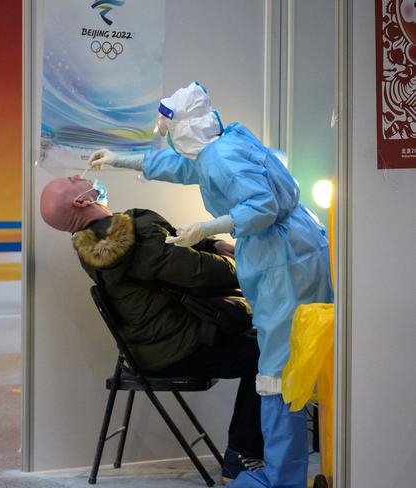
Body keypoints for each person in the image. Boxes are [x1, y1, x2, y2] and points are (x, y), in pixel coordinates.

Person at [88, 82, 333, 488]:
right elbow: (181, 165)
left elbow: (260, 207)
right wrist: (119, 160)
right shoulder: (227, 140)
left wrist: (209, 226)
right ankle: (302, 462)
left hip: (282, 262)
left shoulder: (220, 158)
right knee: (303, 351)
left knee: (278, 365)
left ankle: (281, 477)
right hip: (299, 249)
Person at [40, 175, 264, 483]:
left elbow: (171, 245)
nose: (80, 176)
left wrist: (212, 243)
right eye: (72, 180)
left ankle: (246, 451)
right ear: (81, 201)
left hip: (159, 345)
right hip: (176, 349)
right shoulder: (130, 240)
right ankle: (241, 455)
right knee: (268, 353)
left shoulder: (113, 238)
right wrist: (246, 267)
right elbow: (196, 271)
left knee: (263, 342)